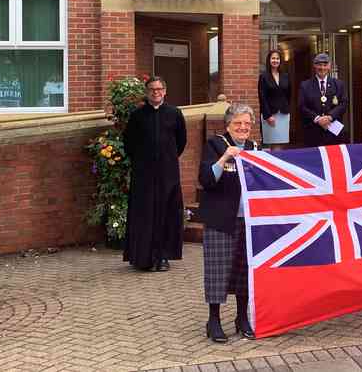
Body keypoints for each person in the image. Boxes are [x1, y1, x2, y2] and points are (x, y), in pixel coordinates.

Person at [198, 103, 257, 342]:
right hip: (220, 219)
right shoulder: (215, 145)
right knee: (218, 272)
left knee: (243, 271)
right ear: (228, 125)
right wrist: (225, 157)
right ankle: (213, 320)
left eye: (247, 123)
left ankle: (242, 317)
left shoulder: (255, 148)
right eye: (238, 123)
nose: (243, 127)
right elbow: (206, 179)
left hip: (249, 221)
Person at [123, 76, 187, 272]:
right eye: (152, 89)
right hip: (144, 174)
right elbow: (129, 143)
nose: (155, 92)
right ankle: (142, 256)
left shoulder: (175, 114)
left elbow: (181, 142)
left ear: (165, 91)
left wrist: (166, 159)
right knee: (145, 214)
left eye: (159, 89)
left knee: (166, 214)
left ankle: (163, 257)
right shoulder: (137, 115)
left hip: (168, 173)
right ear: (146, 92)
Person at [298, 53, 348, 147]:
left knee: (333, 159)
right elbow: (302, 106)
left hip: (333, 131)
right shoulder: (305, 85)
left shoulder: (338, 84)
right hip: (313, 132)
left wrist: (330, 117)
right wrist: (317, 119)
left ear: (329, 66)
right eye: (319, 65)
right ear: (314, 66)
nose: (322, 68)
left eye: (325, 65)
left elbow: (343, 103)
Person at [258, 49, 291, 150]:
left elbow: (289, 94)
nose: (275, 60)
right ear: (269, 60)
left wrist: (286, 108)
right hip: (270, 114)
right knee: (271, 143)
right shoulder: (263, 76)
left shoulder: (286, 76)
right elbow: (262, 97)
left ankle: (277, 163)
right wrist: (268, 116)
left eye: (277, 58)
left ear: (280, 61)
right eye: (273, 58)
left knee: (281, 142)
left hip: (283, 114)